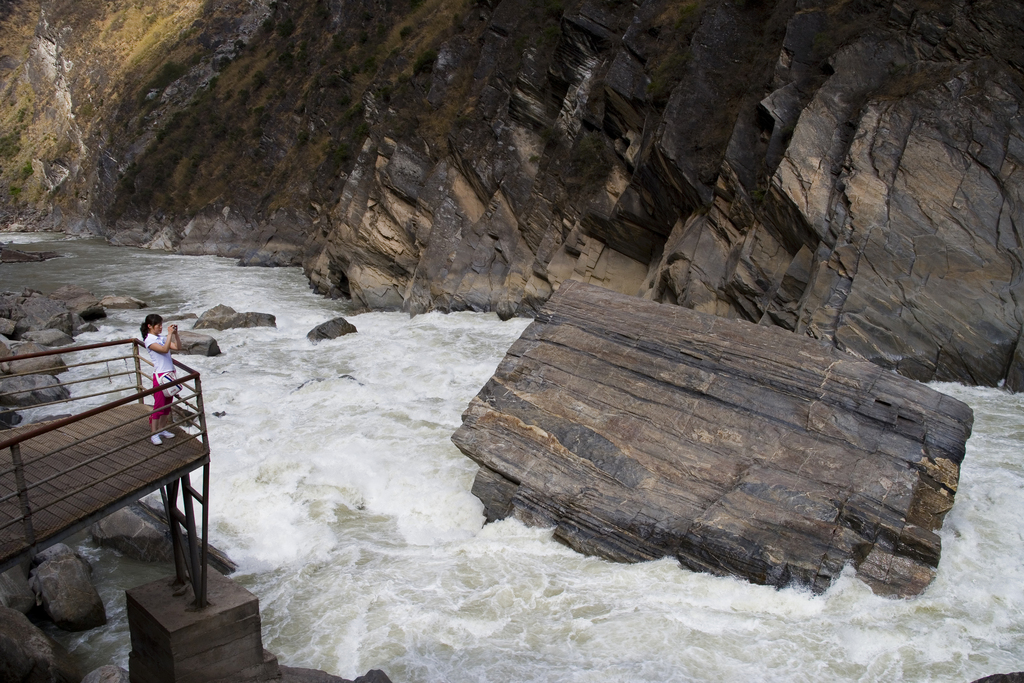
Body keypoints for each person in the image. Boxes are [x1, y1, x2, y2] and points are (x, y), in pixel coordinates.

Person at [141, 314, 181, 445]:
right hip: (160, 377)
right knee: (158, 406)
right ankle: (154, 434)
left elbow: (177, 347)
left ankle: (162, 429)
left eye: (161, 325)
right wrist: (169, 335)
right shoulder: (149, 340)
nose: (160, 328)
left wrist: (175, 334)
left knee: (167, 406)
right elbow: (164, 350)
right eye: (158, 325)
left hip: (169, 374)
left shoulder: (161, 338)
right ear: (150, 326)